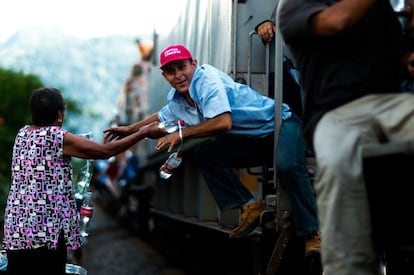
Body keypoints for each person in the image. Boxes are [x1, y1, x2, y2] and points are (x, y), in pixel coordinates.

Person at [105, 44, 320, 252]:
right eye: (171, 71)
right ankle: (249, 206)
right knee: (206, 155)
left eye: (182, 67)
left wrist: (180, 134)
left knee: (287, 166)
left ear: (194, 64)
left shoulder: (206, 80)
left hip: (282, 124)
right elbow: (161, 116)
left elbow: (223, 123)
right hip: (256, 140)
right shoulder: (179, 100)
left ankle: (312, 233)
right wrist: (129, 129)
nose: (178, 75)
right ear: (164, 76)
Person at [277, 0, 414, 274]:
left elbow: (404, 60)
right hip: (335, 112)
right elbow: (335, 22)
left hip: (391, 103)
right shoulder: (294, 7)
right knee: (340, 158)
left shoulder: (380, 12)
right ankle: (347, 265)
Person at [2, 87, 166, 275]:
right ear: (59, 115)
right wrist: (142, 133)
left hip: (16, 227)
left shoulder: (22, 135)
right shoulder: (56, 137)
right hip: (46, 231)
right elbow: (105, 151)